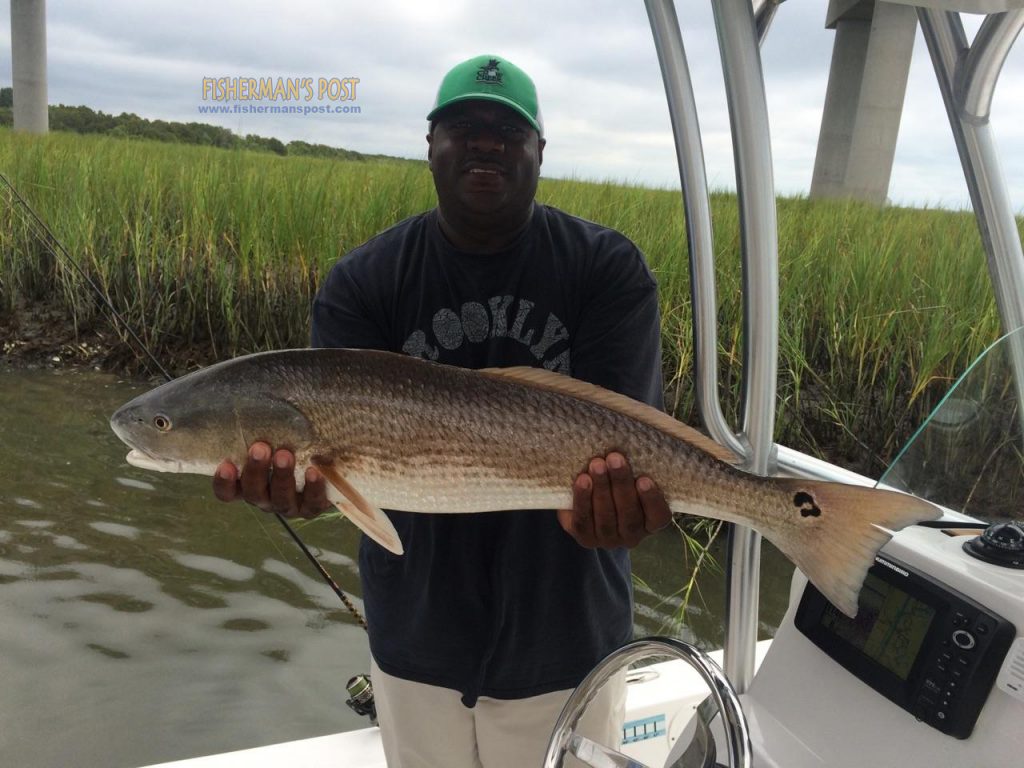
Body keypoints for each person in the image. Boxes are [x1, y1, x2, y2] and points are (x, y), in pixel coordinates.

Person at [213, 54, 671, 767]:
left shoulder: (605, 269)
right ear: (431, 145)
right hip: (415, 645)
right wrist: (305, 492)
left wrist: (627, 510)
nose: (484, 142)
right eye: (463, 126)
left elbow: (636, 441)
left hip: (570, 644)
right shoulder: (363, 283)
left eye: (506, 130)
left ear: (539, 152)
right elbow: (331, 471)